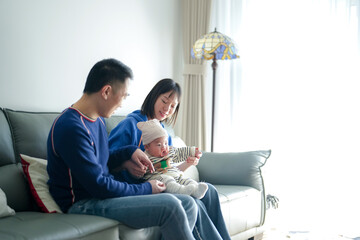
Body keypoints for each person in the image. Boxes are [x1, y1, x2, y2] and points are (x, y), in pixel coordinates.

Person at [46, 59, 199, 240]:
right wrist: (146, 188)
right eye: (124, 95)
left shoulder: (96, 120)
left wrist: (129, 152)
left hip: (102, 197)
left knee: (188, 204)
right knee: (170, 206)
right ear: (106, 91)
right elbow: (98, 185)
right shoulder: (71, 128)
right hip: (83, 203)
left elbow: (101, 162)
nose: (122, 103)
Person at [108, 78, 231, 240]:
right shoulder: (130, 125)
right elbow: (107, 160)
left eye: (173, 106)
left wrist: (187, 164)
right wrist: (126, 165)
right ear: (153, 97)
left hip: (163, 181)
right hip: (141, 187)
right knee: (193, 202)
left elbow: (167, 170)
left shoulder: (164, 134)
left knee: (210, 191)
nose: (167, 108)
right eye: (164, 101)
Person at [137, 119, 208, 199]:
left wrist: (193, 151)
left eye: (166, 143)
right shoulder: (145, 157)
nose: (164, 147)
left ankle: (196, 190)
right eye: (159, 145)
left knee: (187, 180)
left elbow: (180, 152)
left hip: (176, 175)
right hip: (158, 178)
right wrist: (141, 170)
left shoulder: (170, 152)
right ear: (147, 147)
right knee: (168, 180)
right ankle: (182, 191)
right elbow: (139, 172)